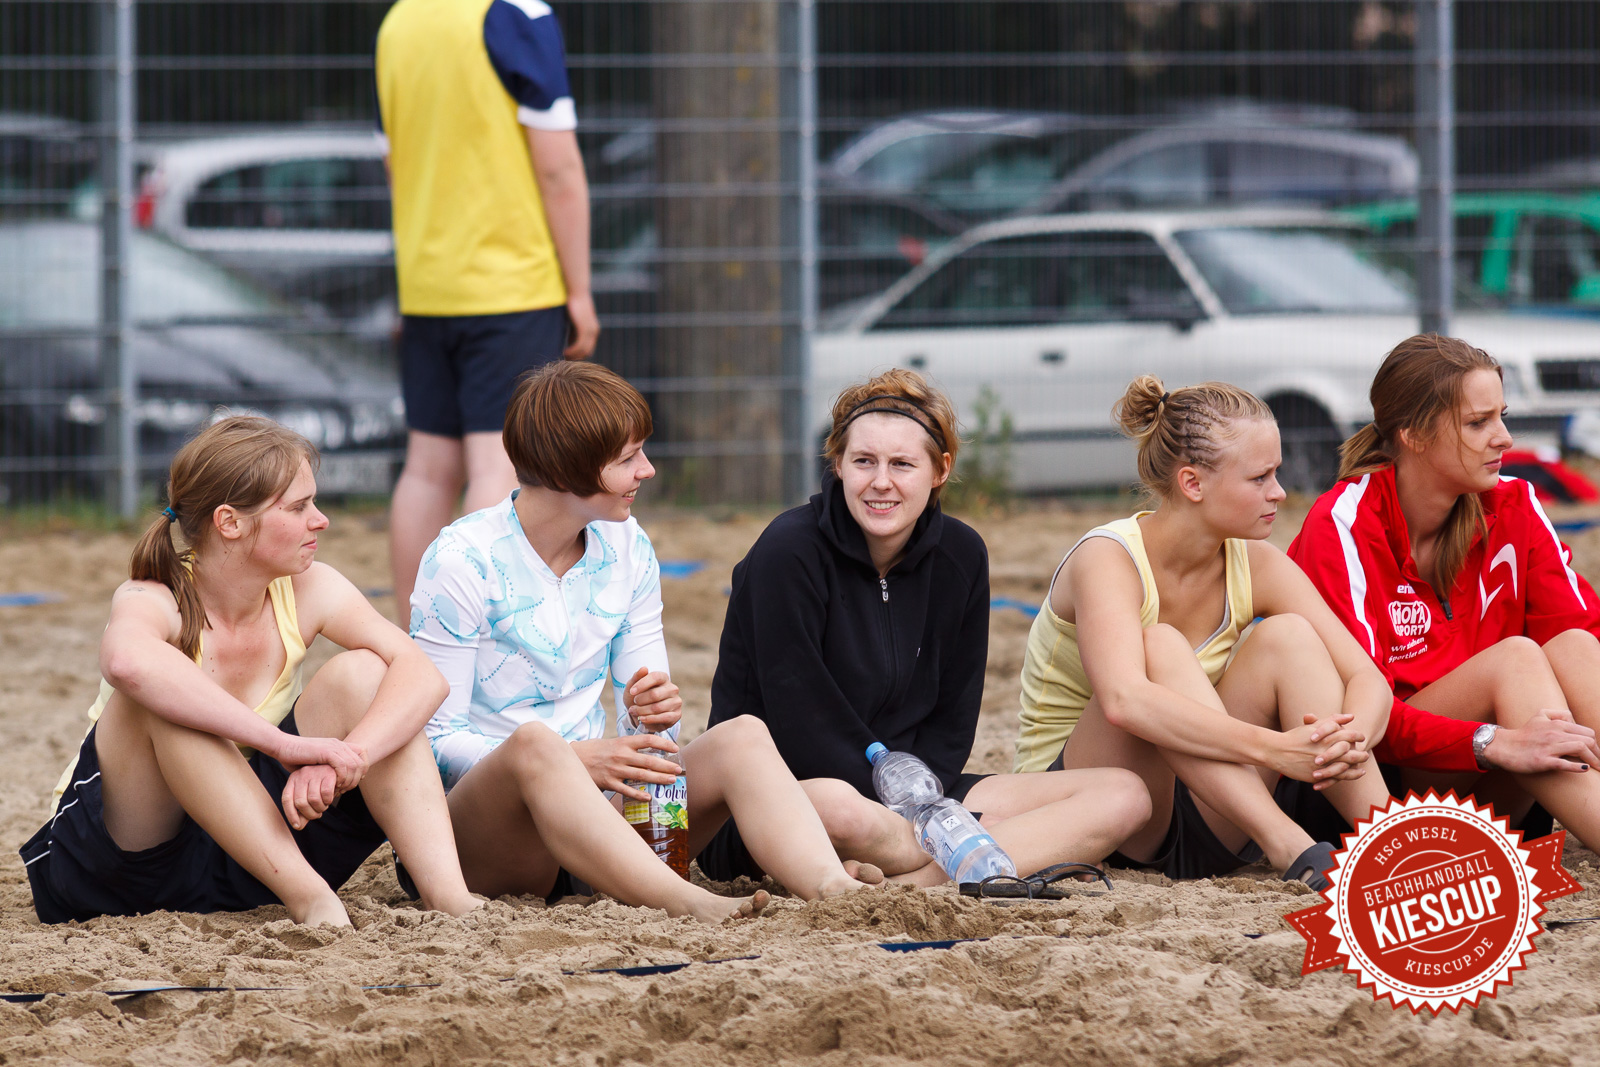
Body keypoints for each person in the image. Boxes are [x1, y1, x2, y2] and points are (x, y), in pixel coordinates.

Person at [409, 361, 880, 922]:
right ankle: (690, 904)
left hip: (604, 834)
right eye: (628, 457)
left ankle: (834, 891)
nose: (648, 470)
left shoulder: (627, 546)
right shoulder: (462, 559)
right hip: (489, 842)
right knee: (535, 746)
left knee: (742, 737)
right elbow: (435, 742)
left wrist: (652, 716)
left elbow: (651, 744)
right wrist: (574, 760)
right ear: (568, 468)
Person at [695, 369, 1153, 888]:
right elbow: (802, 725)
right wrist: (930, 820)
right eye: (863, 461)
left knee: (1123, 794)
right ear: (838, 464)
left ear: (940, 470)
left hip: (921, 793)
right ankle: (980, 848)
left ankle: (910, 885)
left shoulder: (962, 555)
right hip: (790, 796)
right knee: (843, 811)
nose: (881, 482)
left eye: (902, 464)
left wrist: (928, 806)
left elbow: (953, 721)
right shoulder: (788, 551)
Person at [19, 417, 479, 926]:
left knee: (366, 675)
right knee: (165, 698)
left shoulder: (313, 588)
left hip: (249, 855)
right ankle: (315, 902)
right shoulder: (152, 596)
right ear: (229, 523)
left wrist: (345, 758)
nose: (321, 520)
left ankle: (449, 897)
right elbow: (127, 663)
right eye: (300, 507)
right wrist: (284, 746)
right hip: (119, 868)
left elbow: (424, 675)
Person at [1015, 376, 1395, 889]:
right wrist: (1274, 749)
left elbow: (1366, 677)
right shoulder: (1107, 556)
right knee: (1161, 645)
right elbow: (1124, 701)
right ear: (1192, 483)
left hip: (1211, 813)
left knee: (1290, 637)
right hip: (1092, 813)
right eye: (1260, 478)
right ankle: (1290, 845)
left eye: (1276, 473)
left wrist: (1350, 737)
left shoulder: (1257, 562)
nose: (1279, 493)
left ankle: (1396, 837)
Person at [1287, 333, 1600, 848]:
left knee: (1575, 645)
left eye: (1502, 416)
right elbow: (1365, 713)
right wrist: (1493, 741)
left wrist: (1508, 743)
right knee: (1516, 658)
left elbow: (1582, 636)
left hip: (1501, 780)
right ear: (1413, 435)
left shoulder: (1514, 503)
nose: (1503, 438)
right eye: (1479, 423)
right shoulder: (1342, 525)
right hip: (1378, 786)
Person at [377, 0, 600, 616]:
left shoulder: (400, 22)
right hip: (511, 284)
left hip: (427, 287)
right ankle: (481, 640)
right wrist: (579, 291)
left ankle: (418, 652)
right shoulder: (517, 14)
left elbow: (398, 166)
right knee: (497, 469)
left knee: (425, 471)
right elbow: (557, 169)